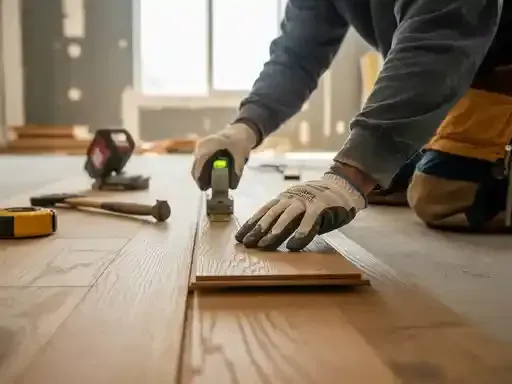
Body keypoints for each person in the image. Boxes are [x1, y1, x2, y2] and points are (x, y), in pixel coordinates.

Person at [192, 0, 512, 252]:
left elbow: (437, 40)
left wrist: (349, 177)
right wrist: (245, 127)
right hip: (453, 78)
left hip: (498, 73)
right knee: (386, 178)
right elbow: (296, 55)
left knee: (441, 194)